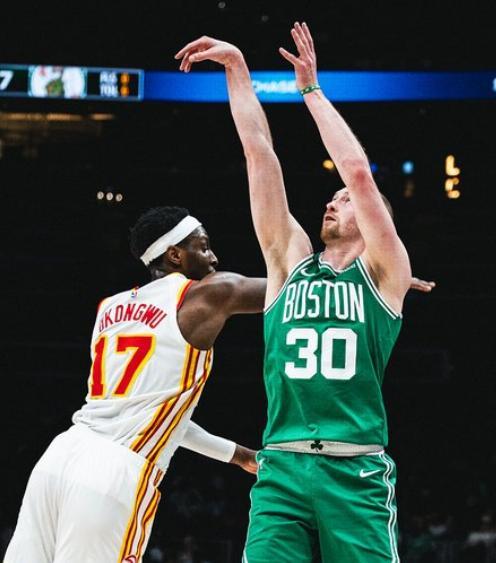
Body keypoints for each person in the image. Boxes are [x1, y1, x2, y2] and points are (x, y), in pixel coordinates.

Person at [176, 22, 434, 562]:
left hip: (355, 470)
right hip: (283, 467)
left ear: (377, 221)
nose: (333, 202)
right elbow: (259, 153)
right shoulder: (287, 261)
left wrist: (311, 90)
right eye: (332, 198)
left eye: (344, 201)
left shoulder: (385, 273)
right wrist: (237, 69)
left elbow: (358, 173)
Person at [5, 206, 263, 563]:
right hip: (114, 470)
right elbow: (292, 290)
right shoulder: (207, 294)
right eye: (203, 247)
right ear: (175, 254)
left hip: (58, 458)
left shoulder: (109, 307)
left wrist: (239, 456)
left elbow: (157, 417)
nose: (213, 258)